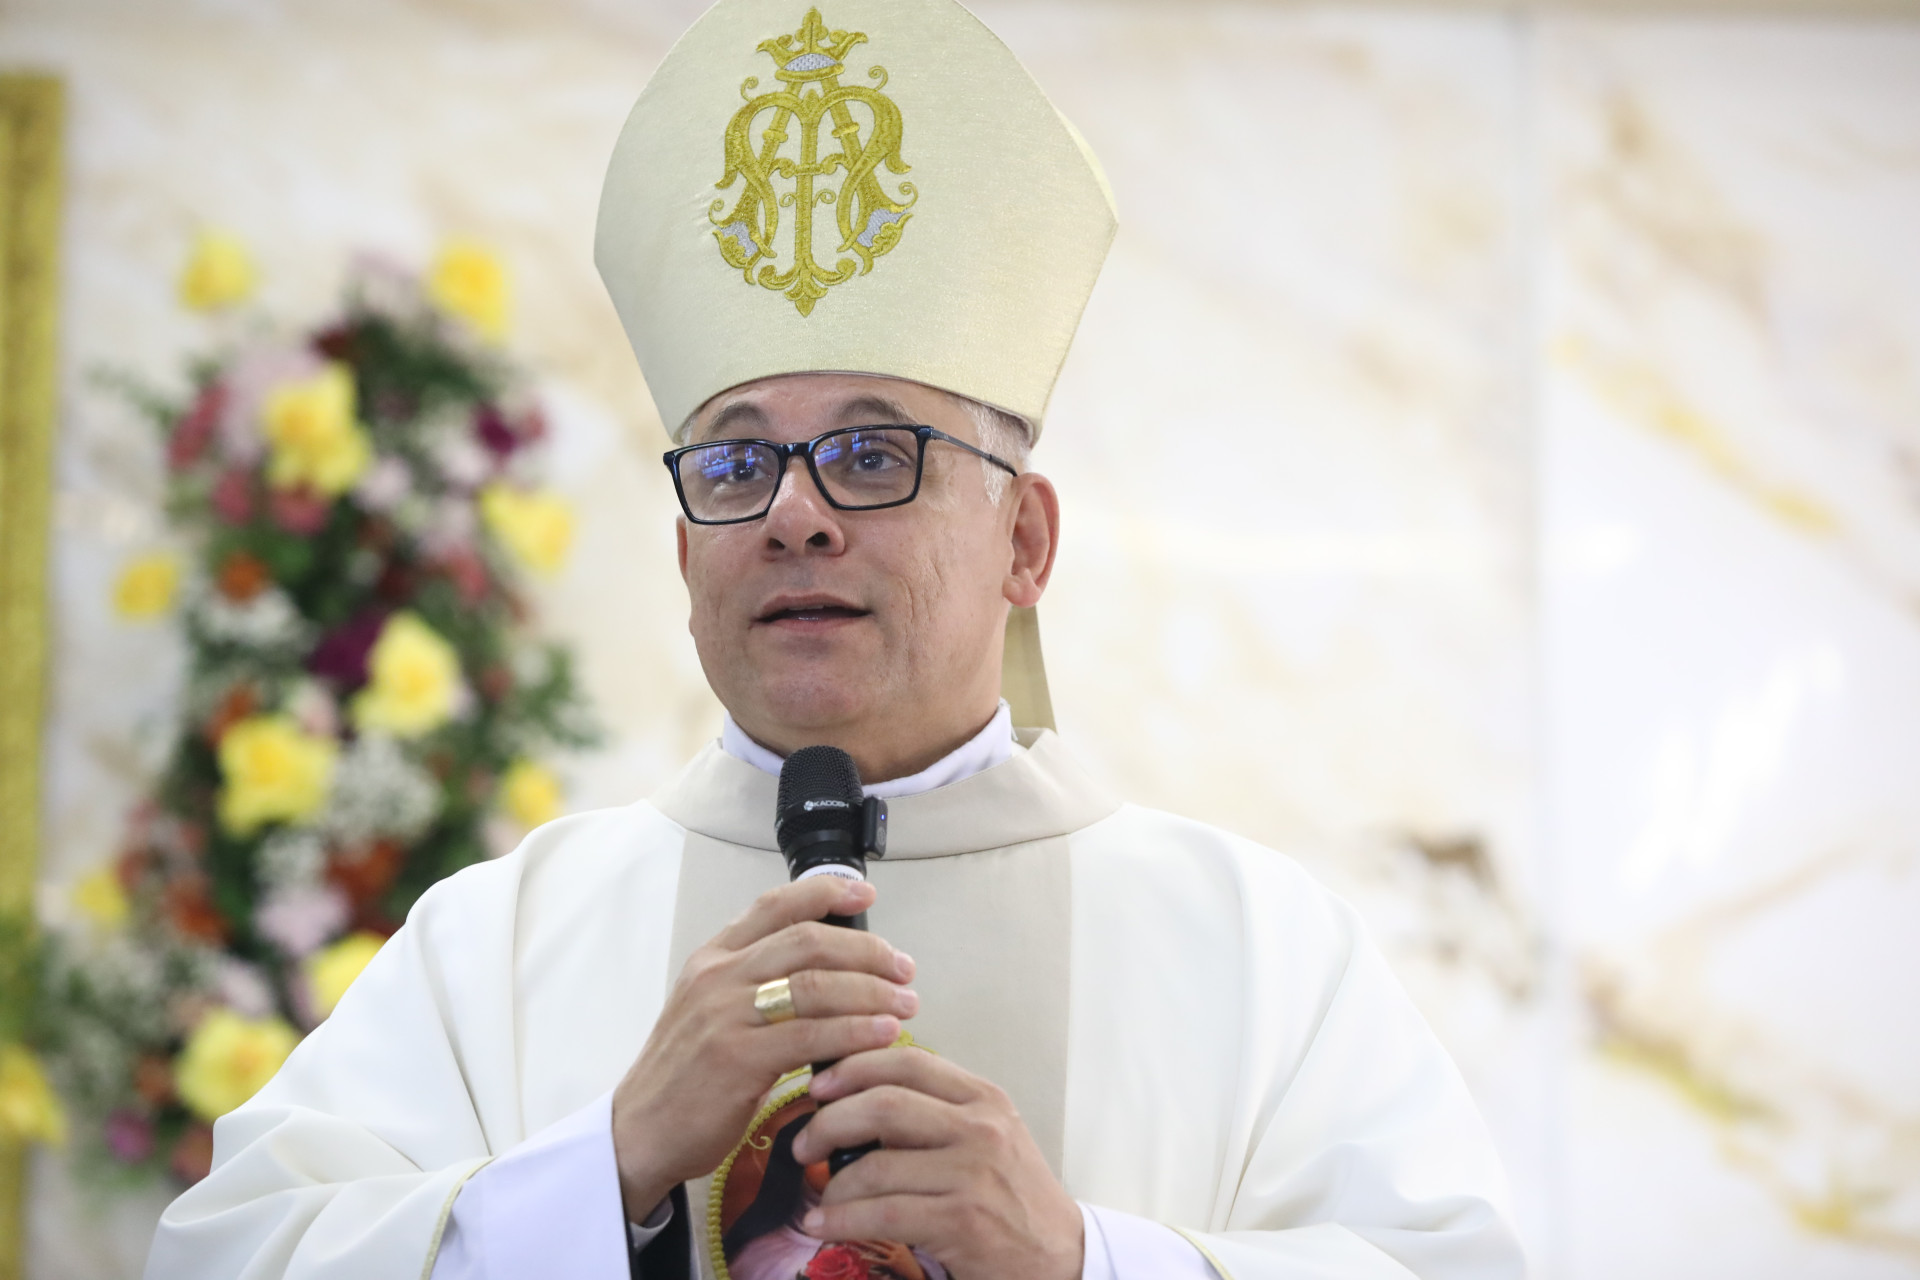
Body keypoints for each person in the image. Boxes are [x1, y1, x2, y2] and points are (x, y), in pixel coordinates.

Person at [147, 1, 1526, 1277]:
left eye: (872, 453)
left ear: (1025, 542)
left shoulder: (1253, 953)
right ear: (686, 556)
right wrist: (606, 1166)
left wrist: (1082, 1258)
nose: (793, 516)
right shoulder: (497, 947)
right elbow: (223, 1254)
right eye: (736, 465)